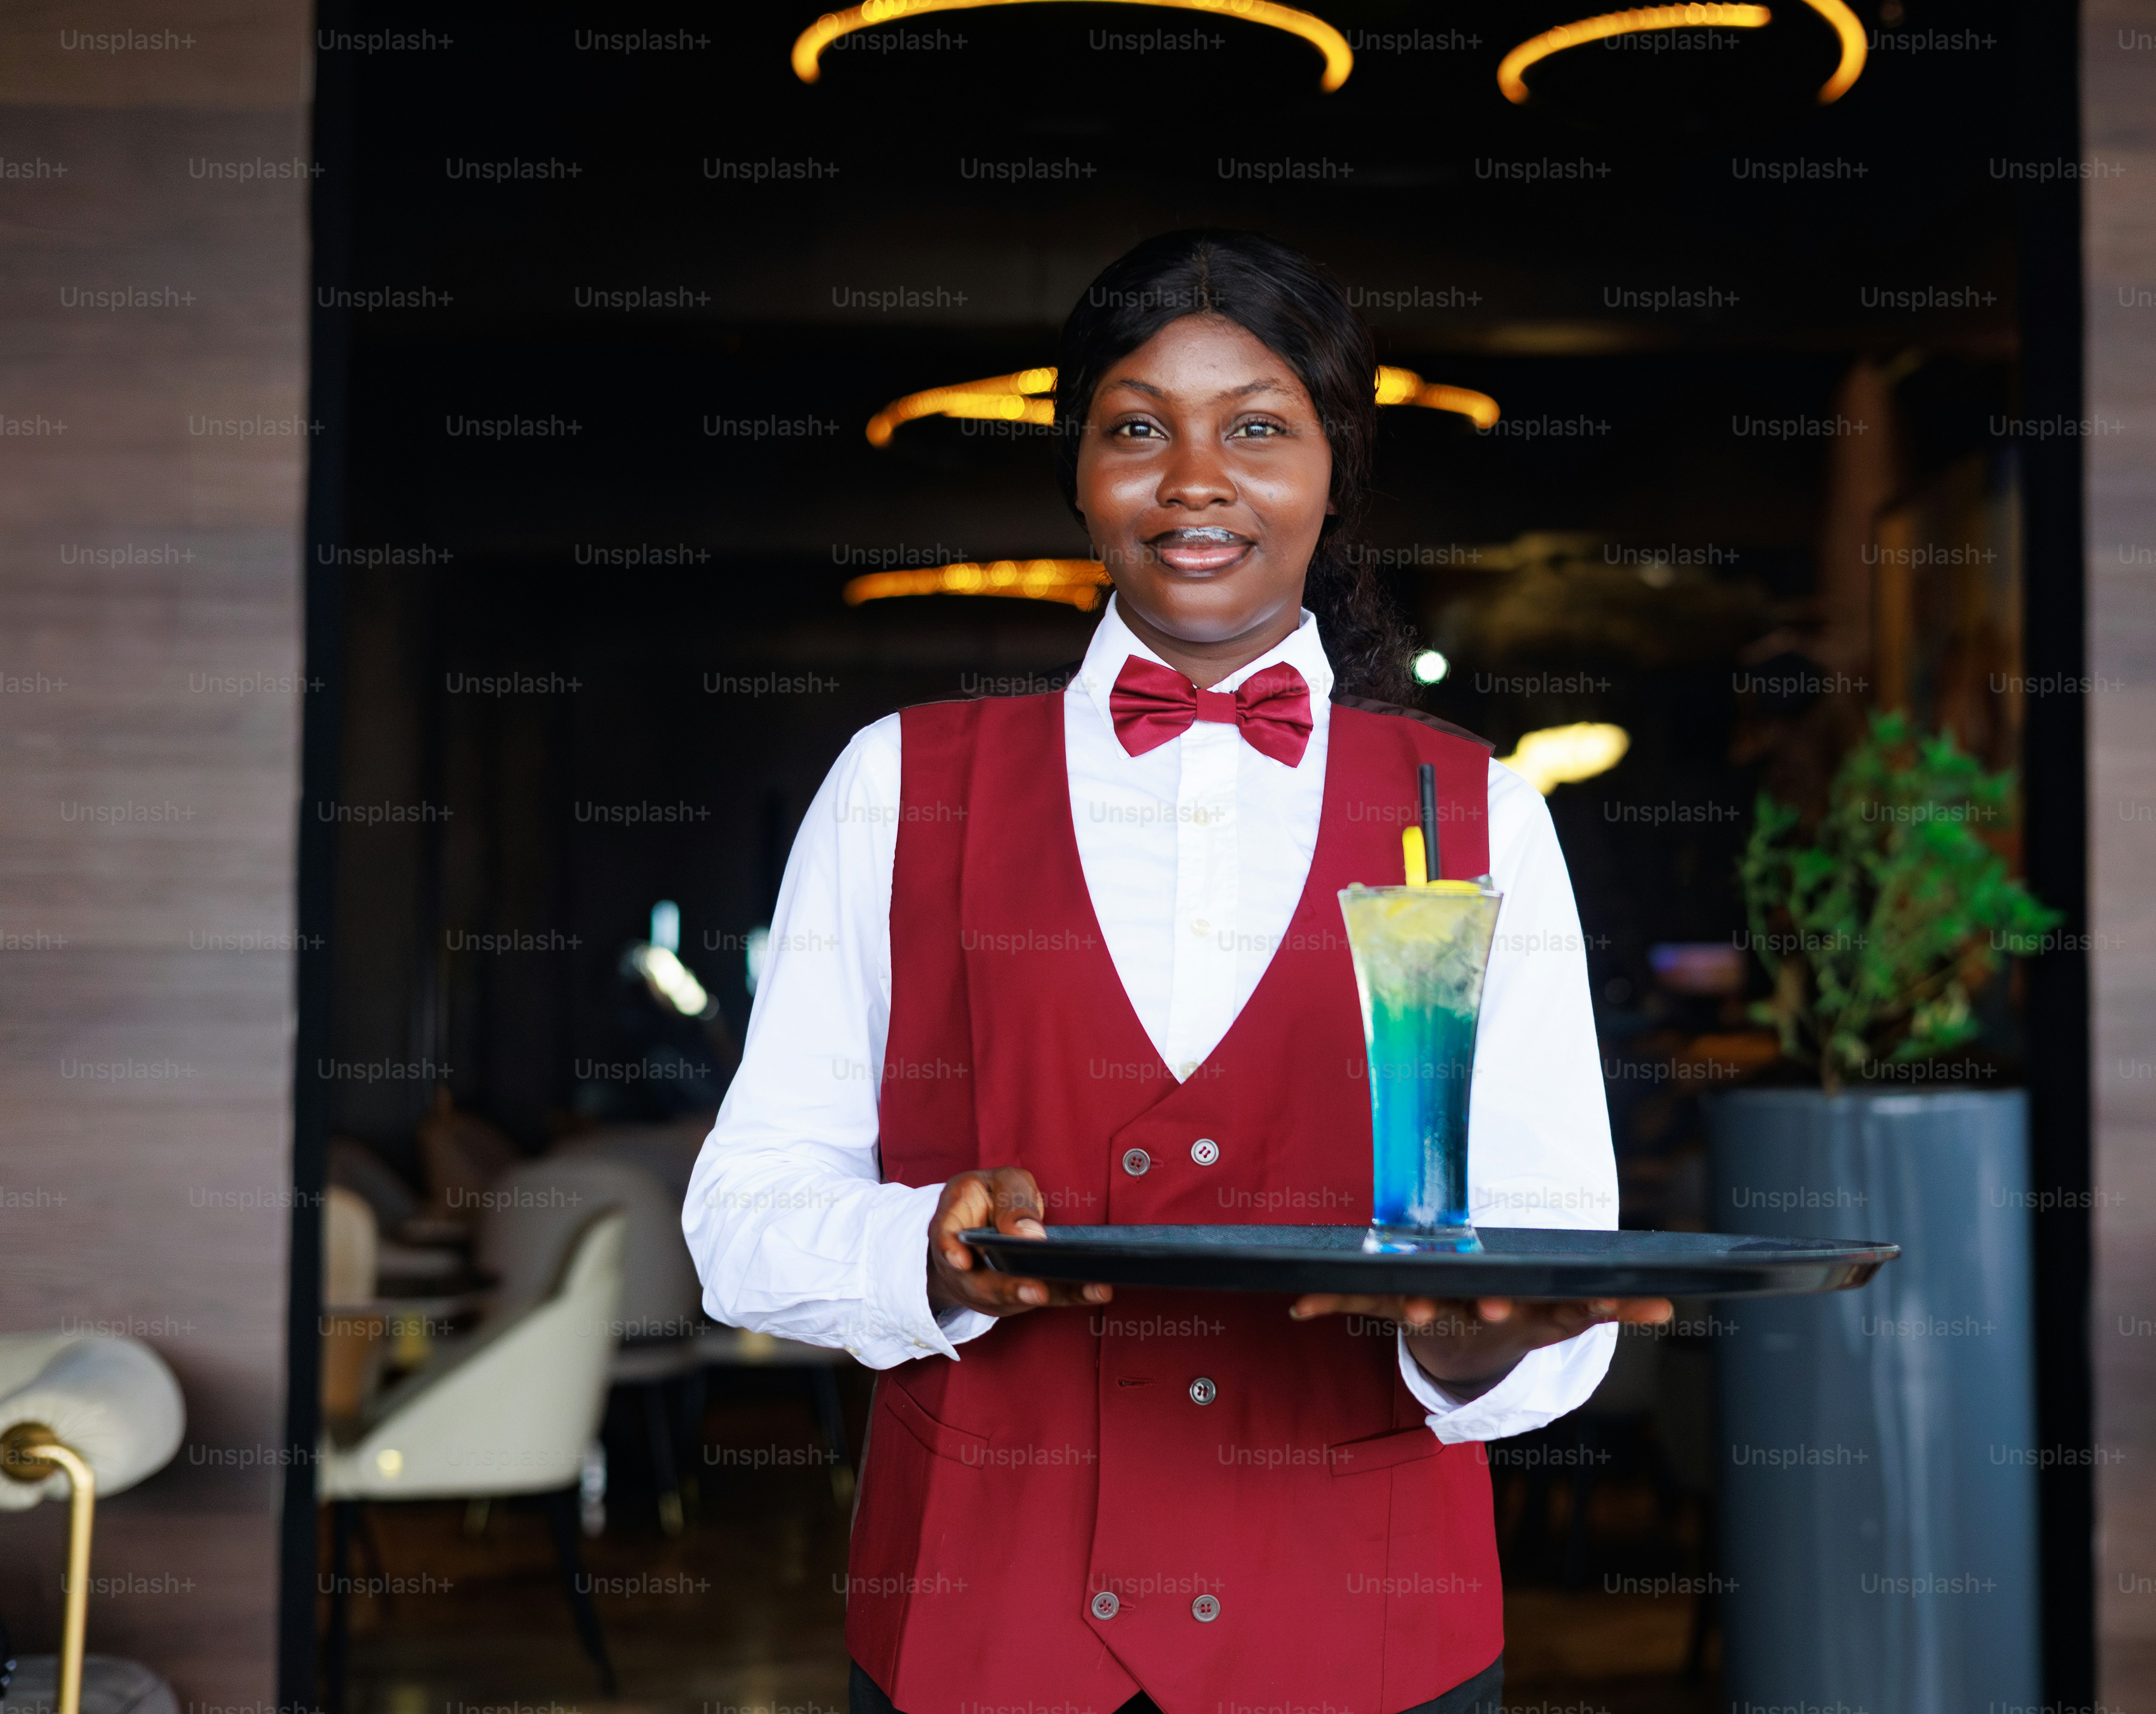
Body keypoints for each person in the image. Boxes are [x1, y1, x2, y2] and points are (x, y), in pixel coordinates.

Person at [683, 230, 1671, 1714]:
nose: (1195, 477)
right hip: (983, 1626)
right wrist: (925, 1251)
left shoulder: (1477, 814)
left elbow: (1544, 1235)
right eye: (1138, 427)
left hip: (1364, 1636)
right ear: (1078, 470)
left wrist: (1473, 1350)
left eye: (1259, 428)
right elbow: (742, 1222)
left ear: (1335, 468)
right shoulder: (900, 786)